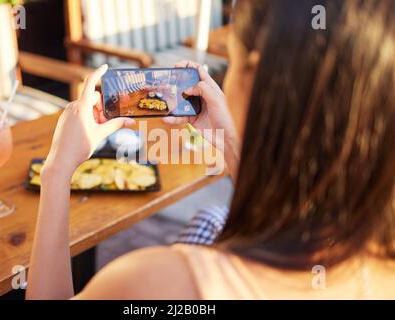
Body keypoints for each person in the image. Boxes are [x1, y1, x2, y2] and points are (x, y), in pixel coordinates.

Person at [26, 0, 395, 299]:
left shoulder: (160, 283)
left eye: (231, 62)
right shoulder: (381, 260)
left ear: (253, 76)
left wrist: (58, 170)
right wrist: (231, 142)